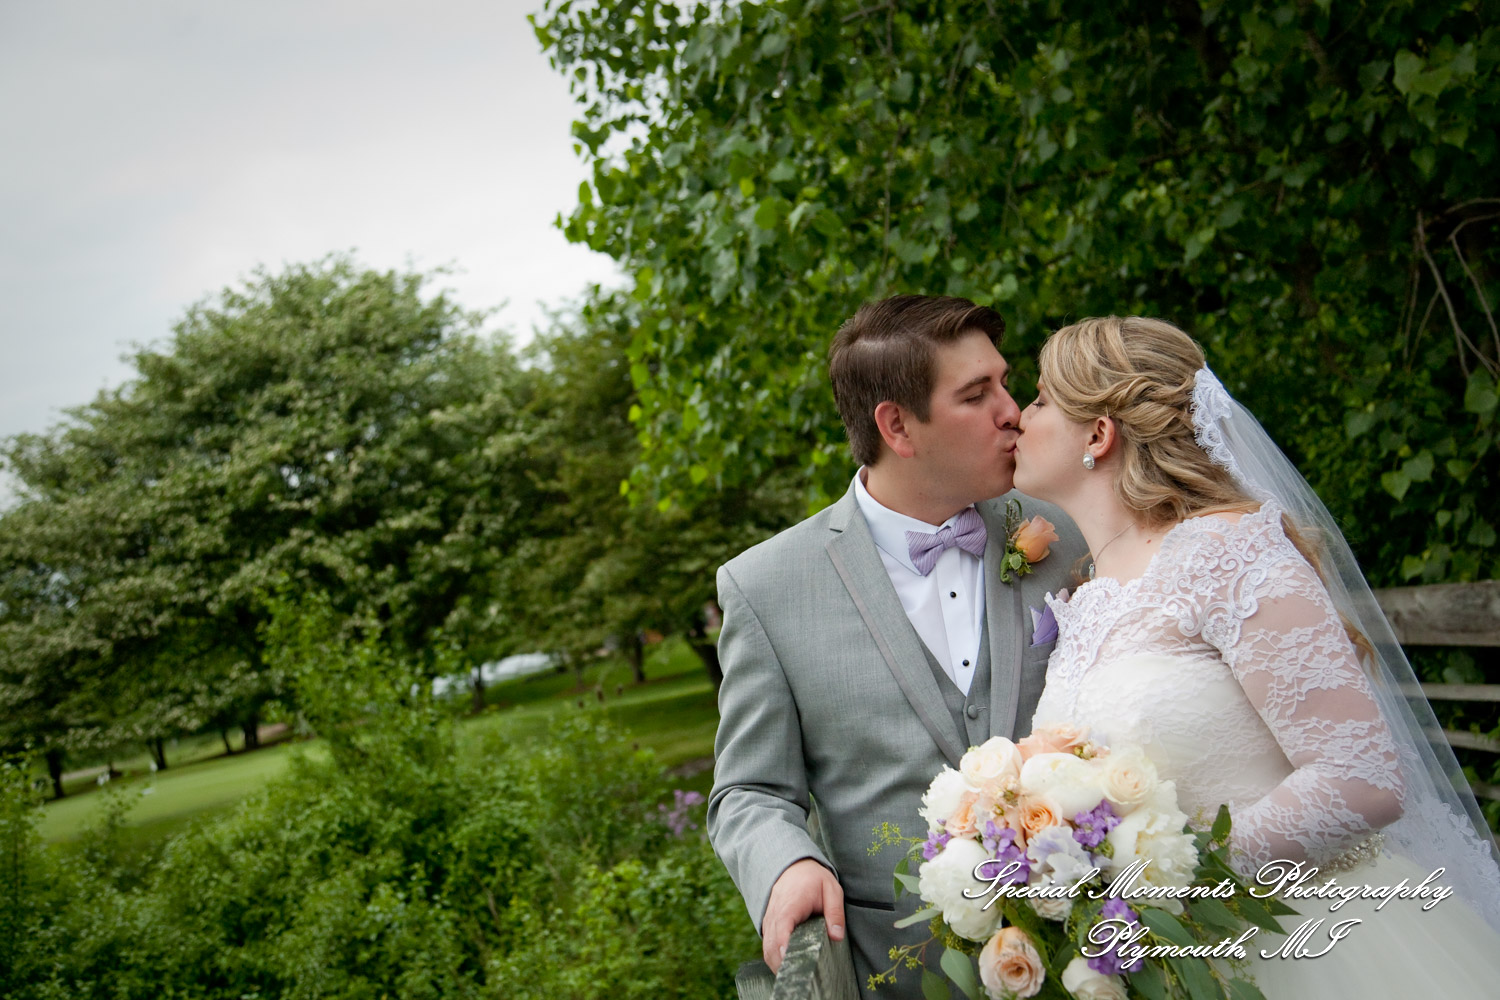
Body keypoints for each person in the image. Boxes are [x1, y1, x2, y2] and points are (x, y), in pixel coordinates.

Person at [1015, 315, 1500, 995]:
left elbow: (1360, 777)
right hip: (1165, 960)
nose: (1018, 417)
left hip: (1311, 941)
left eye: (1039, 400)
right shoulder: (1089, 588)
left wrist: (1167, 873)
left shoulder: (1227, 550)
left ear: (1098, 435)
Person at [707, 294, 1087, 994]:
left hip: (1096, 956)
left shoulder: (1069, 531)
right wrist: (787, 864)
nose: (1013, 410)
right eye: (977, 394)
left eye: (1004, 382)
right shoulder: (767, 587)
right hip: (902, 974)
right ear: (897, 426)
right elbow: (749, 790)